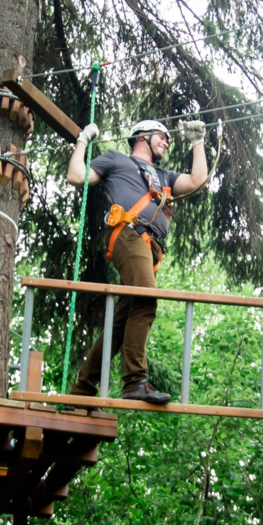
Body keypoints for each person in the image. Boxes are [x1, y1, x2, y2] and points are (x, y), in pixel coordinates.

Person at [64, 118, 209, 403]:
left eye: (169, 139)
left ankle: (83, 388)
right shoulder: (116, 161)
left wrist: (197, 143)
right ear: (142, 135)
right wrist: (83, 139)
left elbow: (196, 180)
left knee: (122, 321)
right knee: (146, 299)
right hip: (129, 236)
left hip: (149, 248)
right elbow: (77, 176)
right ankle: (135, 381)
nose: (166, 142)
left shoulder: (164, 177)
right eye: (162, 137)